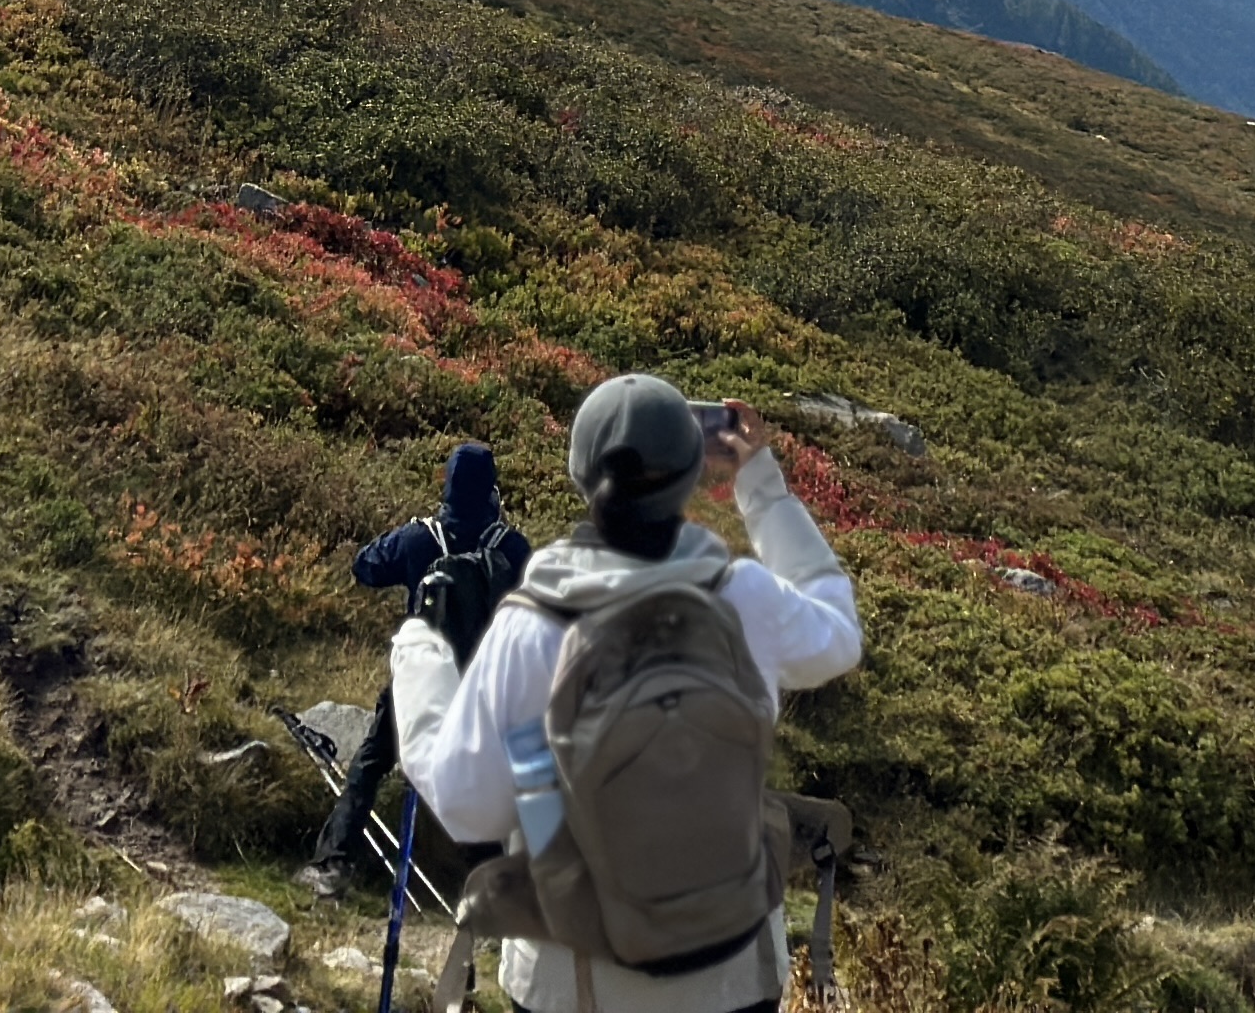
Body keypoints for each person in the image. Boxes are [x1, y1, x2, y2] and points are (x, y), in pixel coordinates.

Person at [391, 376, 862, 1013]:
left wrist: (419, 656)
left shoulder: (534, 625)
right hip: (732, 977)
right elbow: (839, 635)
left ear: (581, 476)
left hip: (570, 983)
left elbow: (466, 805)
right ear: (692, 472)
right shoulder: (744, 597)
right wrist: (760, 485)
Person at [305, 438, 533, 893]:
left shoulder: (421, 539)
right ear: (492, 491)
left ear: (447, 486)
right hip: (483, 689)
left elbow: (365, 566)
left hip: (421, 683)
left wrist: (414, 536)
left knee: (371, 763)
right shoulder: (511, 547)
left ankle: (334, 864)